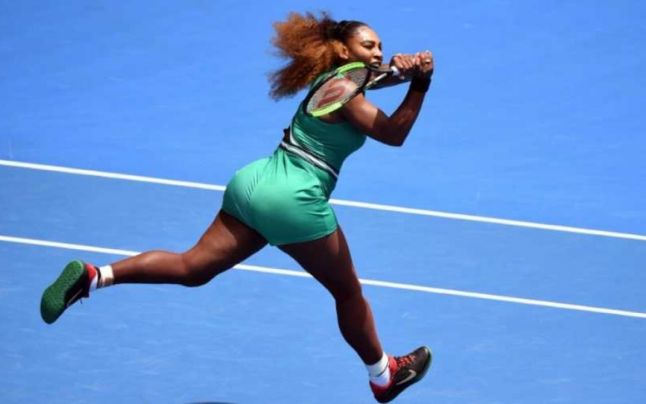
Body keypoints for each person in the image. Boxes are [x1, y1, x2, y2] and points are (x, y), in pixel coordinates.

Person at [40, 11, 434, 403]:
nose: (377, 52)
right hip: (292, 199)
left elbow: (373, 78)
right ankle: (383, 376)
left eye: (380, 46)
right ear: (342, 50)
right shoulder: (348, 90)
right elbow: (393, 132)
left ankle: (94, 276)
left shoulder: (334, 80)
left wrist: (402, 70)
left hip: (253, 182)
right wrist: (420, 84)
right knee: (347, 292)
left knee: (192, 267)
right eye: (368, 45)